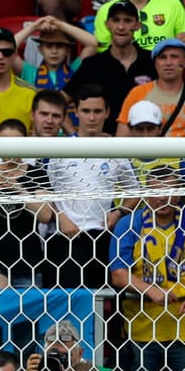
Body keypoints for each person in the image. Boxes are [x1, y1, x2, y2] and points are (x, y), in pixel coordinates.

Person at [109, 164, 185, 371]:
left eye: (168, 190)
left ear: (179, 193)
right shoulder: (129, 224)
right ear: (147, 192)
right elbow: (118, 273)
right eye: (156, 190)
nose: (161, 197)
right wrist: (150, 290)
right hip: (141, 329)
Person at [47, 85, 141, 288]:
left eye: (97, 111)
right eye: (86, 111)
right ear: (76, 112)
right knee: (68, 305)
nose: (91, 117)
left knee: (102, 305)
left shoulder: (116, 151)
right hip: (64, 238)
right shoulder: (58, 149)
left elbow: (135, 193)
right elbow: (44, 191)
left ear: (107, 113)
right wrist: (60, 217)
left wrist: (118, 212)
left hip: (102, 237)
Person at [0, 117, 53, 289]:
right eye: (4, 142)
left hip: (29, 261)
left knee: (28, 313)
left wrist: (19, 190)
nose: (9, 148)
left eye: (15, 142)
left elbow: (45, 215)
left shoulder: (37, 174)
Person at [65, 0, 155, 116]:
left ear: (138, 25)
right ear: (107, 24)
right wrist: (73, 133)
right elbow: (59, 101)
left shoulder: (153, 61)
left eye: (127, 21)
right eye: (116, 20)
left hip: (144, 133)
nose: (121, 27)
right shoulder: (92, 65)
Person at [114, 39, 185, 139]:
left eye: (174, 57)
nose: (168, 63)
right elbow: (121, 139)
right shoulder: (137, 93)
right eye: (162, 57)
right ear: (155, 63)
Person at [13, 15, 97, 92]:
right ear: (40, 49)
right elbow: (9, 48)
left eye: (59, 46)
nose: (54, 51)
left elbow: (93, 44)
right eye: (49, 46)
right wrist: (34, 27)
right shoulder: (30, 72)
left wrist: (60, 25)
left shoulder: (74, 70)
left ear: (67, 50)